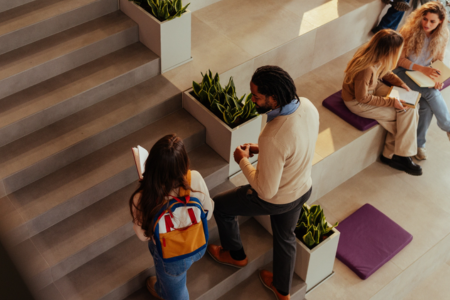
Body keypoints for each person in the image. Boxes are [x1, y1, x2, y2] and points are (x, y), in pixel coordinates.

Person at [207, 66, 319, 300]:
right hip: (302, 189)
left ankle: (235, 255)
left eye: (257, 96)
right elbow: (297, 143)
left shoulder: (273, 135)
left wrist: (243, 161)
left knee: (220, 205)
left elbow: (265, 190)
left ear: (274, 97)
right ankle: (282, 290)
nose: (252, 100)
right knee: (285, 237)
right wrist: (265, 150)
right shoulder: (307, 105)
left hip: (276, 199)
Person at [129, 134, 214, 300]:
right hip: (196, 242)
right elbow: (208, 212)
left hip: (171, 255)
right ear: (183, 162)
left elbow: (143, 235)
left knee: (177, 291)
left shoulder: (142, 197)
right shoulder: (194, 178)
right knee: (170, 278)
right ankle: (162, 288)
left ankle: (165, 290)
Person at [342, 29, 422, 175]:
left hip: (375, 86)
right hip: (357, 102)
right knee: (403, 113)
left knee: (410, 107)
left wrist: (400, 84)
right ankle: (399, 155)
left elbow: (384, 72)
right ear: (388, 51)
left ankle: (394, 155)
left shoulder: (377, 56)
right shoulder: (365, 69)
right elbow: (362, 98)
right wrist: (391, 102)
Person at [394, 1, 450, 160]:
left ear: (440, 21)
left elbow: (438, 61)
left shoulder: (443, 35)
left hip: (422, 76)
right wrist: (422, 69)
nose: (427, 24)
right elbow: (400, 61)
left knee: (427, 104)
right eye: (425, 19)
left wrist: (436, 79)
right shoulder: (408, 30)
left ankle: (419, 144)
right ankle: (448, 127)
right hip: (402, 72)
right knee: (430, 93)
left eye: (432, 21)